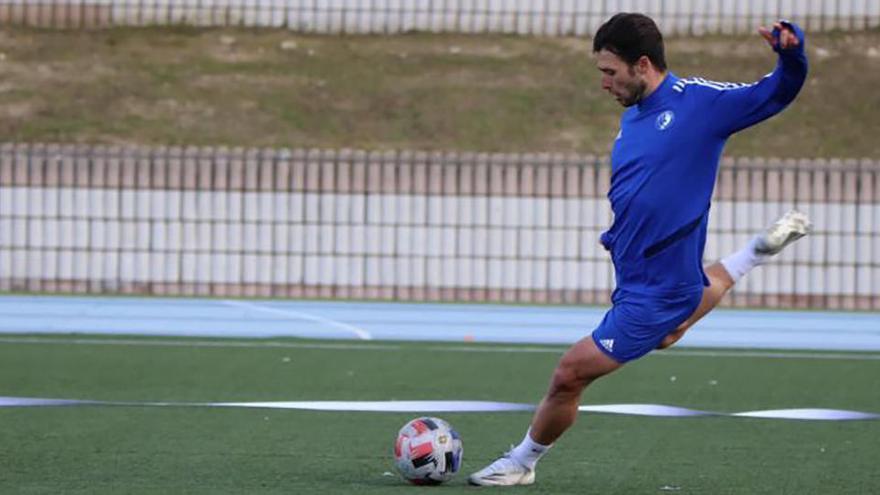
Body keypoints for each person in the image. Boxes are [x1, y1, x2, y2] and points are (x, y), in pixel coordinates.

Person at [468, 12, 810, 486]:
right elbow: (640, 190)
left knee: (570, 374)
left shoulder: (700, 104)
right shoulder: (633, 117)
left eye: (610, 72)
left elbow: (774, 92)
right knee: (668, 334)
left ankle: (522, 462)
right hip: (637, 275)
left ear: (642, 65)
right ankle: (754, 252)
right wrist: (618, 235)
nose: (604, 83)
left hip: (660, 287)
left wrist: (792, 55)